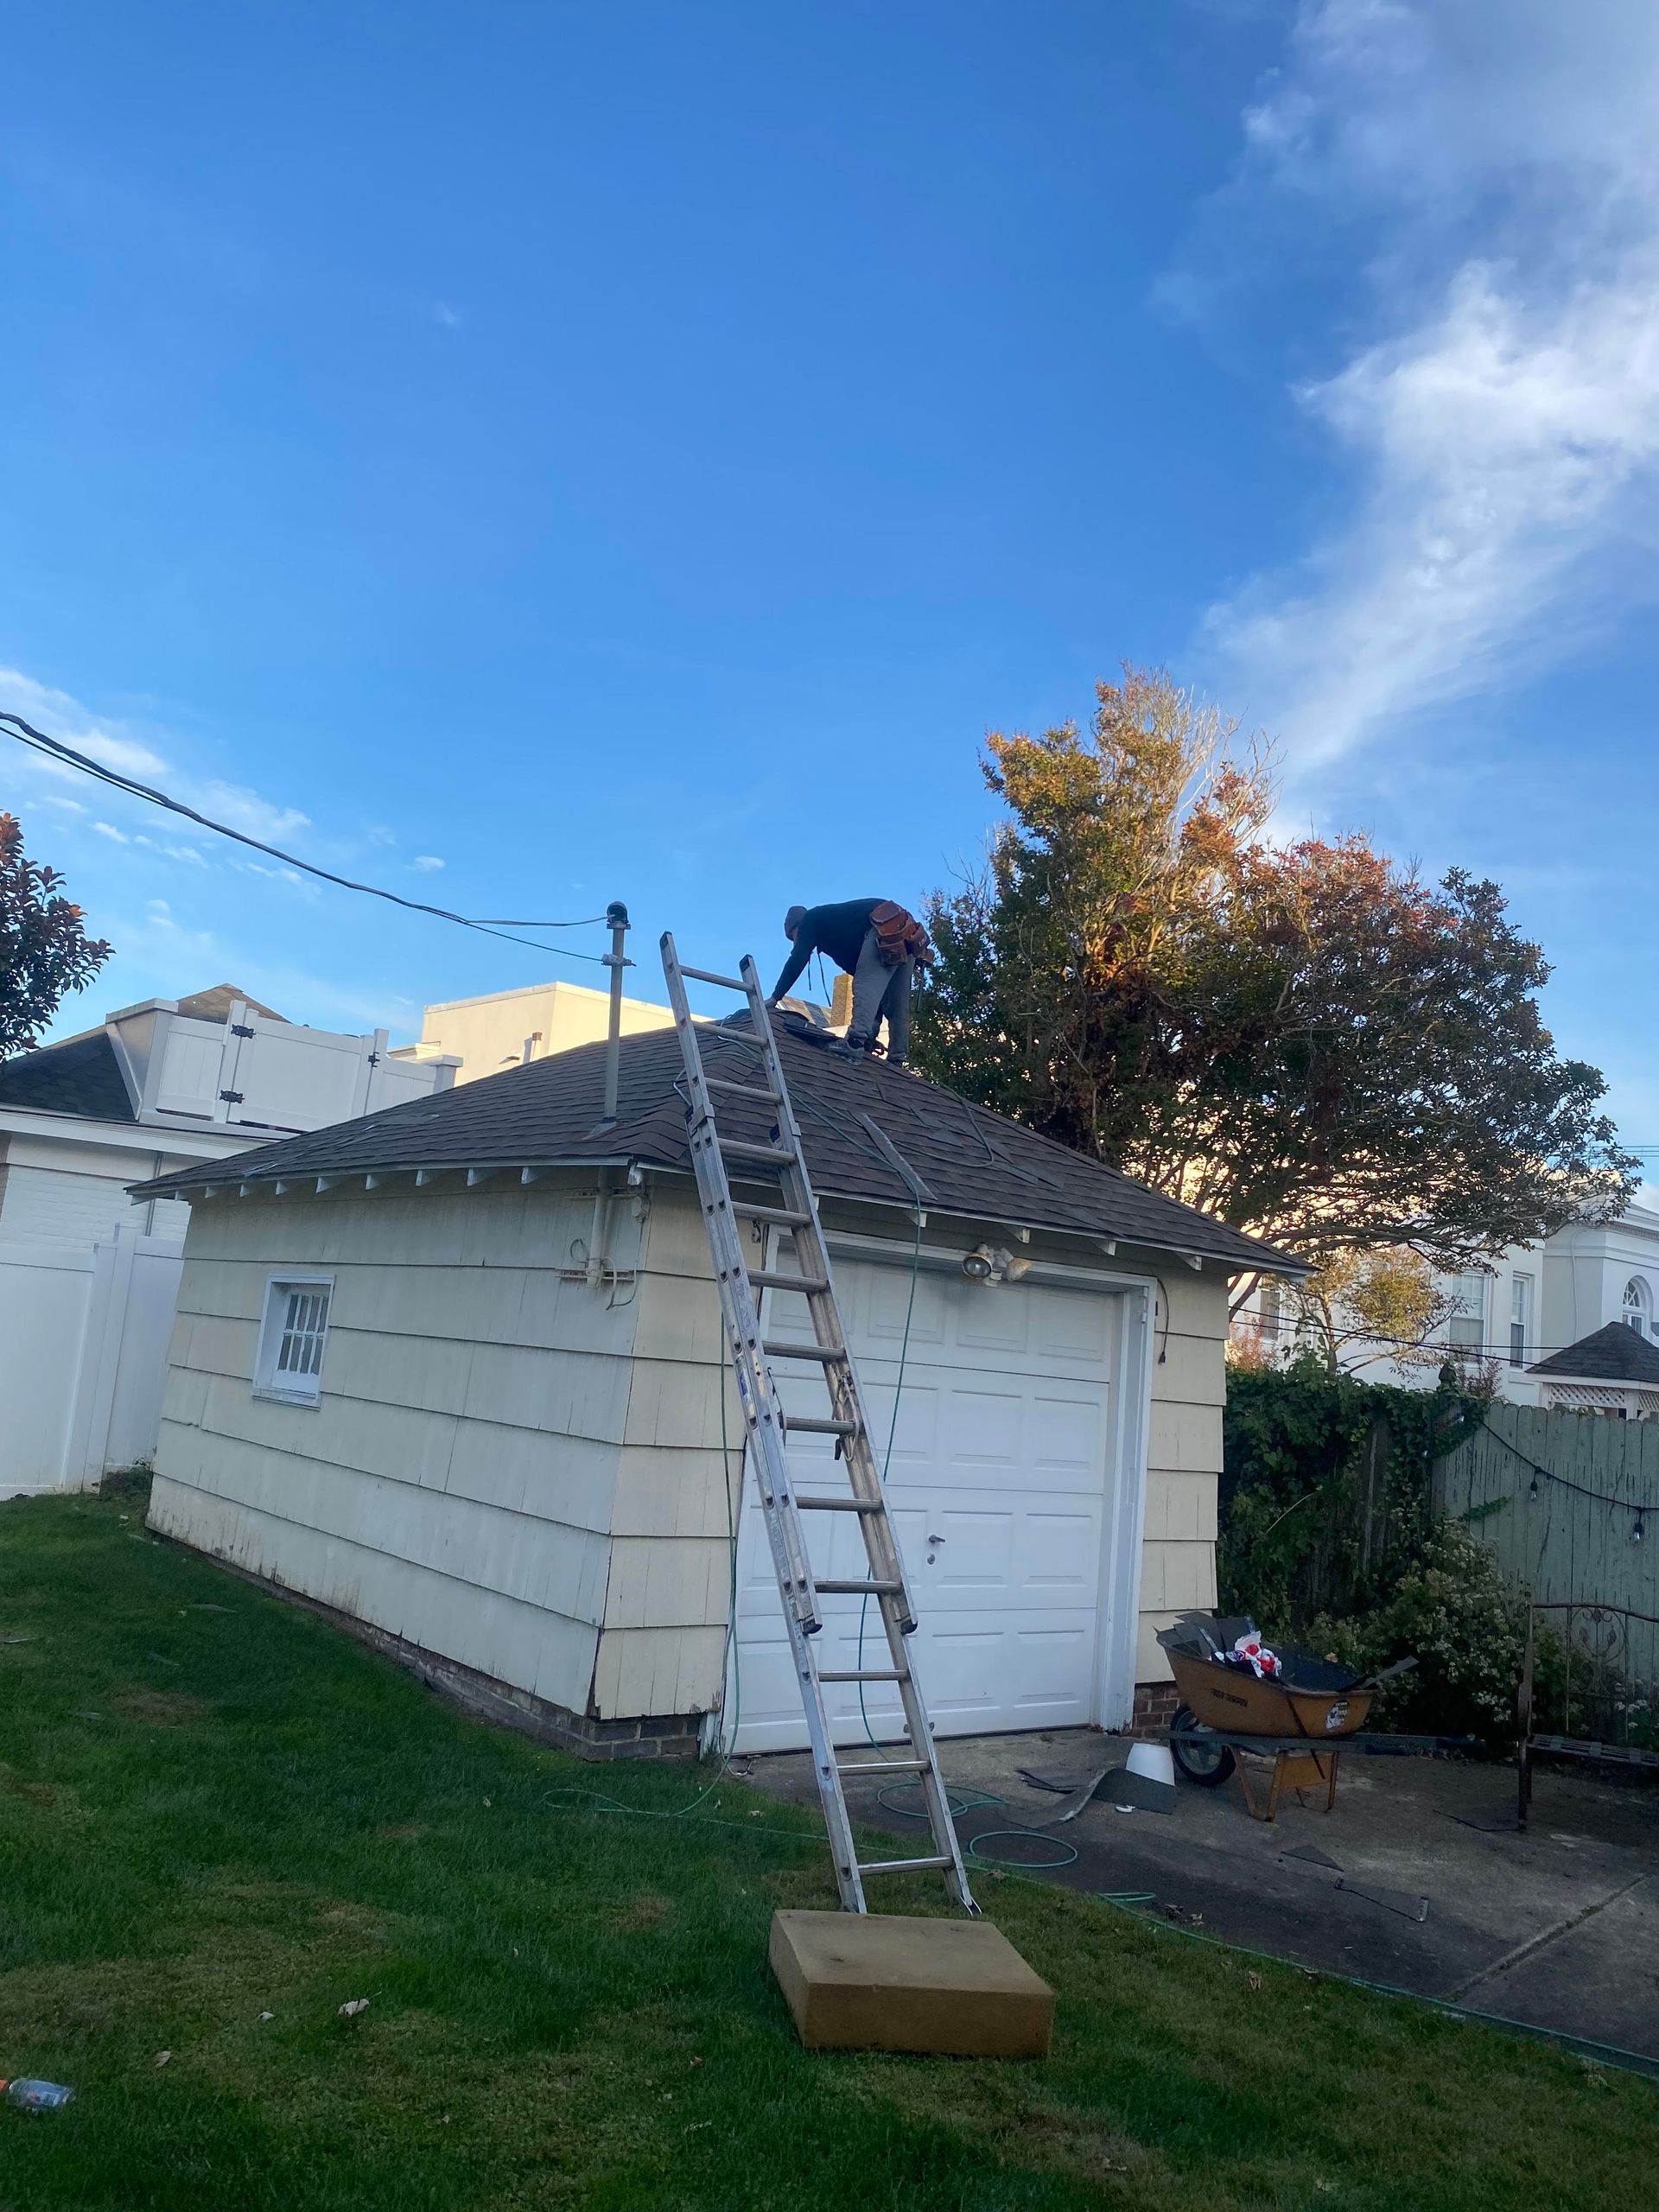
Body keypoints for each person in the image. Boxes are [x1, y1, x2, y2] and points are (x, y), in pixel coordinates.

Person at [768, 897, 933, 1066]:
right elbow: (877, 990)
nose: (796, 942)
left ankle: (853, 1044)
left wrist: (775, 997)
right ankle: (897, 1058)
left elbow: (797, 959)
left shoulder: (809, 920)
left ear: (795, 927)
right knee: (897, 1001)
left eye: (793, 937)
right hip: (907, 929)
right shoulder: (842, 938)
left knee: (865, 987)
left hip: (884, 923)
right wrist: (871, 1034)